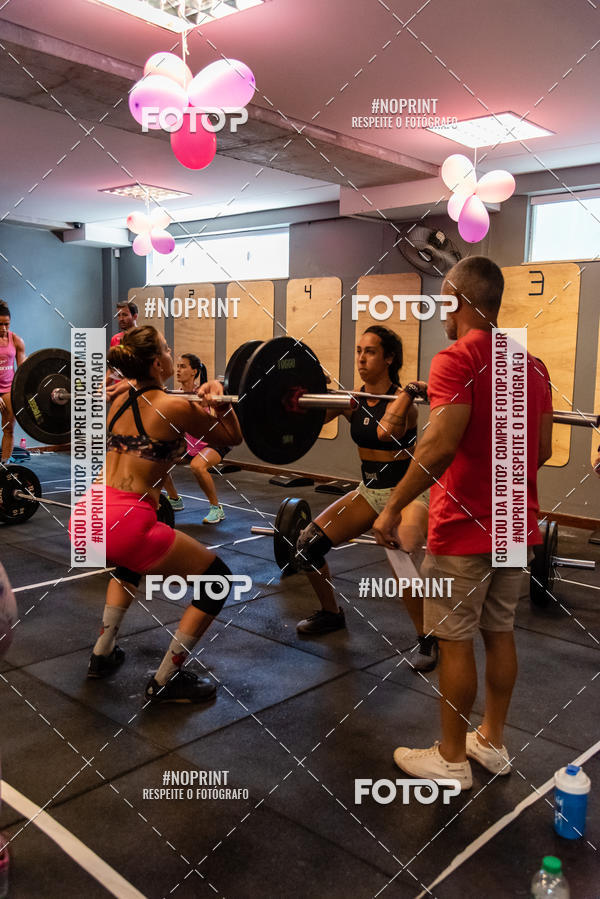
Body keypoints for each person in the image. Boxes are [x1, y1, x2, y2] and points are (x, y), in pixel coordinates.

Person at [373, 256, 554, 790]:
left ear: (457, 299)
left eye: (444, 302)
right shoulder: (533, 364)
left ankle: (451, 757)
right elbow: (540, 448)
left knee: (454, 640)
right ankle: (492, 741)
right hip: (514, 524)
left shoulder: (455, 358)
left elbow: (438, 444)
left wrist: (391, 506)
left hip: (463, 528)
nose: (441, 314)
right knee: (499, 632)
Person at [70, 325, 243, 703]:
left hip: (87, 515)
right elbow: (231, 437)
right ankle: (166, 679)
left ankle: (102, 654)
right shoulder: (173, 406)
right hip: (128, 520)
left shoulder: (115, 397)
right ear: (156, 361)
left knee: (130, 564)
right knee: (217, 580)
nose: (171, 354)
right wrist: (222, 400)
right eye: (167, 349)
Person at [292, 325, 437, 671]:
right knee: (307, 545)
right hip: (369, 492)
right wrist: (306, 393)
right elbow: (306, 420)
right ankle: (331, 614)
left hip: (407, 495)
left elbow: (386, 430)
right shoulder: (352, 399)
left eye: (370, 351)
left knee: (400, 557)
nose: (361, 358)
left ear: (389, 358)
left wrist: (409, 391)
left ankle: (428, 638)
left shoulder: (406, 404)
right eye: (359, 351)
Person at [106, 301, 184, 511]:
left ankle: (170, 498)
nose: (121, 319)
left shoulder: (144, 341)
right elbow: (115, 370)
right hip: (124, 399)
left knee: (151, 451)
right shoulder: (116, 340)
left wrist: (120, 388)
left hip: (144, 396)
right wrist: (103, 386)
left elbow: (138, 378)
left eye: (124, 315)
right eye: (119, 316)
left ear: (135, 315)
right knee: (144, 454)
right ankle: (134, 499)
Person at [176, 353, 229, 525]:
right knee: (157, 460)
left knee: (198, 466)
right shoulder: (175, 395)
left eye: (183, 366)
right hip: (192, 445)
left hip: (215, 441)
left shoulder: (203, 394)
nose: (178, 370)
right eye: (177, 366)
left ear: (194, 372)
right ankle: (174, 499)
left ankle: (216, 509)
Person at [0, 302, 26, 463]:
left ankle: (5, 467)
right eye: (0, 324)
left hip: (8, 389)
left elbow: (22, 370)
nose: (3, 328)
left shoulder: (16, 340)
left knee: (8, 429)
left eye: (6, 324)